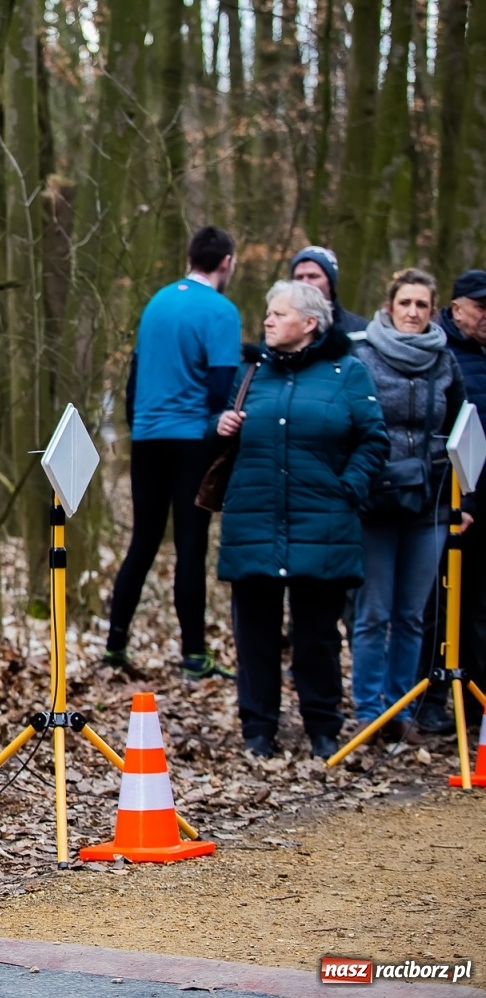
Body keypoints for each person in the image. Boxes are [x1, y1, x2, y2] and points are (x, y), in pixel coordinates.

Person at [214, 280, 388, 759]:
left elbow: (374, 441)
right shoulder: (250, 373)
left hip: (324, 525)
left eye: (279, 313)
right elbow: (220, 442)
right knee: (255, 636)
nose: (267, 320)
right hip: (254, 520)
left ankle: (323, 727)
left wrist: (348, 488)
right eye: (267, 313)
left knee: (316, 637)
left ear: (310, 324)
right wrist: (220, 426)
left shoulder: (349, 374)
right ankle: (258, 729)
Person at [105, 227, 241, 678]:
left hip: (147, 436)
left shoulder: (157, 302)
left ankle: (115, 645)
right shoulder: (222, 311)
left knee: (142, 540)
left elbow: (135, 374)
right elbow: (223, 385)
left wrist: (138, 421)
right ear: (226, 263)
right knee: (190, 545)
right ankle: (194, 655)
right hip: (191, 440)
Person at [348, 270, 465, 745]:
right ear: (389, 306)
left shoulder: (447, 362)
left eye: (421, 304)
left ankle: (404, 709)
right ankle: (369, 712)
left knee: (413, 614)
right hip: (377, 502)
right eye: (405, 303)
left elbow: (462, 429)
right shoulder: (363, 355)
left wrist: (463, 496)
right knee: (372, 612)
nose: (413, 312)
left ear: (432, 310)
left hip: (429, 502)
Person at [418, 270, 486, 731]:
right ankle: (432, 700)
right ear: (456, 307)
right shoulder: (440, 354)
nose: (485, 317)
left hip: (481, 501)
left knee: (479, 608)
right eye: (480, 307)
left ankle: (478, 706)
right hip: (448, 498)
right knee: (435, 608)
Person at [289, 245, 367, 335]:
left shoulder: (360, 332)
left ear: (330, 282)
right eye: (299, 277)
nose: (305, 283)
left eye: (313, 276)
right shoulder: (278, 330)